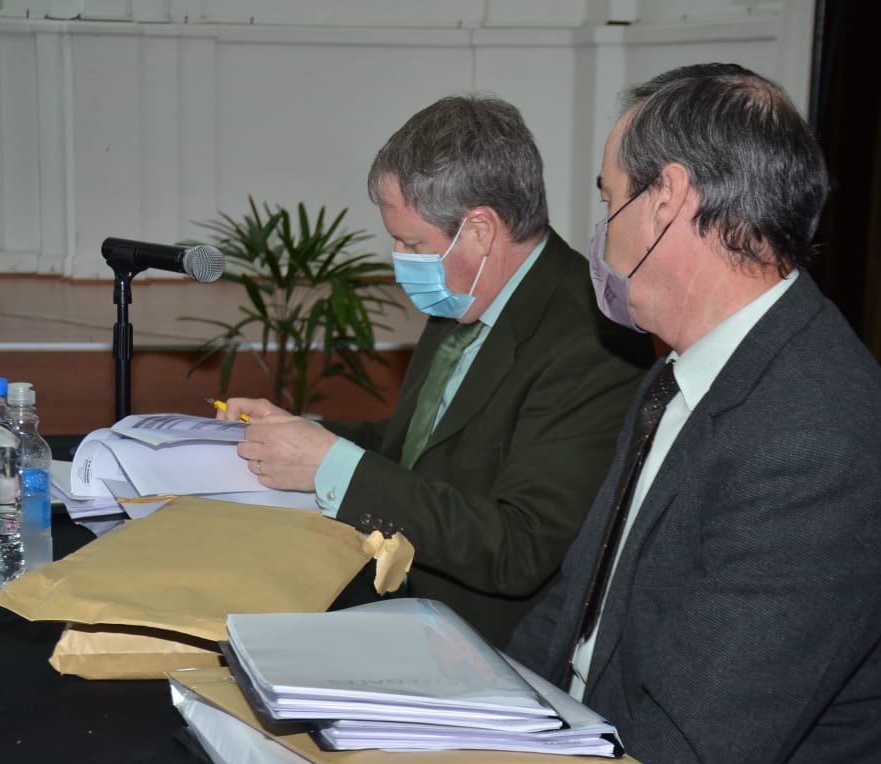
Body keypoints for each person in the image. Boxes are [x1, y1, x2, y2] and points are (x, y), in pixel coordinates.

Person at [507, 64, 881, 764]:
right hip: (590, 758)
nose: (603, 228)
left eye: (610, 199)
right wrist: (464, 720)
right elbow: (574, 611)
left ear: (667, 200)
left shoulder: (821, 450)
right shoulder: (679, 374)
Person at [218, 95, 651, 645]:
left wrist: (329, 465)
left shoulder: (593, 339)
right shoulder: (464, 293)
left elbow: (519, 547)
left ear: (481, 230)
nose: (400, 258)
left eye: (412, 242)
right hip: (396, 603)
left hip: (483, 644)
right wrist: (299, 436)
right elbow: (417, 449)